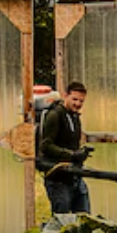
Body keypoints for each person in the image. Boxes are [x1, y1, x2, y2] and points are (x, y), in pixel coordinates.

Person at [36, 81, 94, 214]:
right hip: (57, 178)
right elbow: (46, 145)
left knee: (84, 217)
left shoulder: (75, 117)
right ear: (65, 96)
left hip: (74, 175)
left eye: (81, 101)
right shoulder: (55, 116)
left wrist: (80, 154)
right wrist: (71, 155)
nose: (78, 104)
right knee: (62, 221)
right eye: (74, 99)